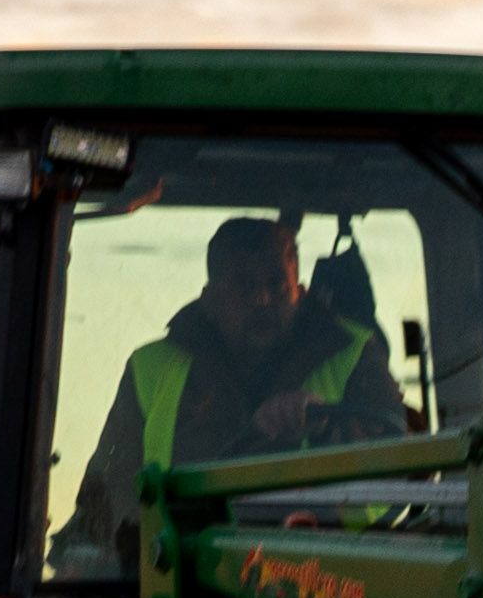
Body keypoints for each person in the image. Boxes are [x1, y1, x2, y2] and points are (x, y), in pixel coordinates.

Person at [54, 215, 407, 571]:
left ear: (298, 291)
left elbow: (397, 478)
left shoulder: (355, 353)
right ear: (209, 299)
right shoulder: (151, 367)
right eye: (244, 285)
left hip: (331, 588)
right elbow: (109, 496)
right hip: (180, 587)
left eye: (276, 284)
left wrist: (327, 430)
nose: (263, 299)